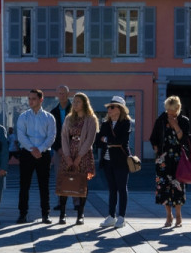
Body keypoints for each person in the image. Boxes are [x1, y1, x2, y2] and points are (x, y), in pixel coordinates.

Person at [15, 89, 56, 224]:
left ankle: (45, 214)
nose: (30, 101)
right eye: (29, 98)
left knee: (44, 185)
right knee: (24, 185)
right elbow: (21, 136)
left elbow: (51, 136)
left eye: (33, 98)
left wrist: (40, 149)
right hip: (27, 153)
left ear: (41, 100)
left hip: (43, 154)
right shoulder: (23, 116)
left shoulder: (49, 118)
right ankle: (22, 214)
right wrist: (32, 149)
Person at [149, 95, 191, 228]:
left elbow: (184, 140)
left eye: (172, 109)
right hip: (163, 160)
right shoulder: (161, 120)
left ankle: (178, 215)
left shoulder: (184, 121)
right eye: (168, 109)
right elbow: (153, 138)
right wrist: (157, 149)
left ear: (178, 108)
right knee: (163, 187)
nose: (169, 112)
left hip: (179, 159)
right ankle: (168, 215)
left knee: (178, 187)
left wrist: (175, 125)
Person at [56, 92, 98, 225]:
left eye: (78, 102)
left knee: (81, 183)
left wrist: (80, 156)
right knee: (65, 181)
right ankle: (62, 214)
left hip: (83, 154)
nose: (75, 104)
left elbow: (90, 139)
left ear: (85, 103)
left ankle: (80, 214)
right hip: (68, 152)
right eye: (74, 102)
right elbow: (63, 137)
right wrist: (67, 156)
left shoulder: (91, 119)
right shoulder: (69, 118)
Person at [97, 95, 133, 228]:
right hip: (107, 160)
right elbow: (98, 140)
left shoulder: (126, 123)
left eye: (112, 107)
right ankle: (111, 216)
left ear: (120, 109)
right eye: (108, 107)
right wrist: (108, 140)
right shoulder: (105, 124)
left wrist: (106, 140)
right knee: (112, 189)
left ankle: (122, 217)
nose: (109, 110)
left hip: (121, 161)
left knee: (122, 188)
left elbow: (120, 141)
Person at [49, 84, 72, 172]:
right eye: (60, 93)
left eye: (64, 93)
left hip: (74, 149)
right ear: (57, 95)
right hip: (58, 150)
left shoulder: (75, 110)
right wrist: (58, 148)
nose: (62, 96)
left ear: (68, 94)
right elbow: (51, 132)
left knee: (74, 178)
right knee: (60, 178)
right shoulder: (53, 112)